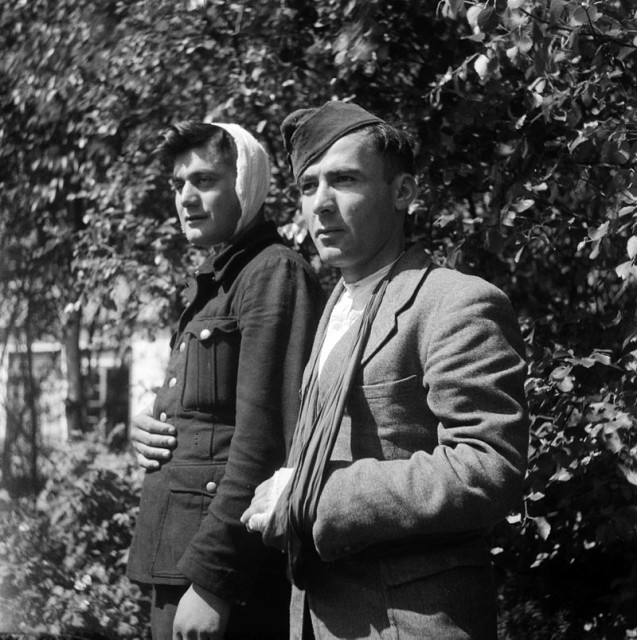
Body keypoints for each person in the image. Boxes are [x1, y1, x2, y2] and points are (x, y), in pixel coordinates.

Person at [240, 101, 529, 640]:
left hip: (410, 620)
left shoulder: (455, 302)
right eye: (307, 187)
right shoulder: (336, 307)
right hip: (321, 618)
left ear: (404, 193)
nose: (320, 204)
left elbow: (487, 467)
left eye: (344, 180)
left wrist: (315, 496)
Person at [127, 120, 324, 640]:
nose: (186, 198)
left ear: (244, 183)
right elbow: (208, 420)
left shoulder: (273, 273)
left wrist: (215, 580)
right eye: (177, 185)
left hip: (224, 579)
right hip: (177, 559)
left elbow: (267, 444)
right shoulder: (220, 281)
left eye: (204, 181)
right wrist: (146, 427)